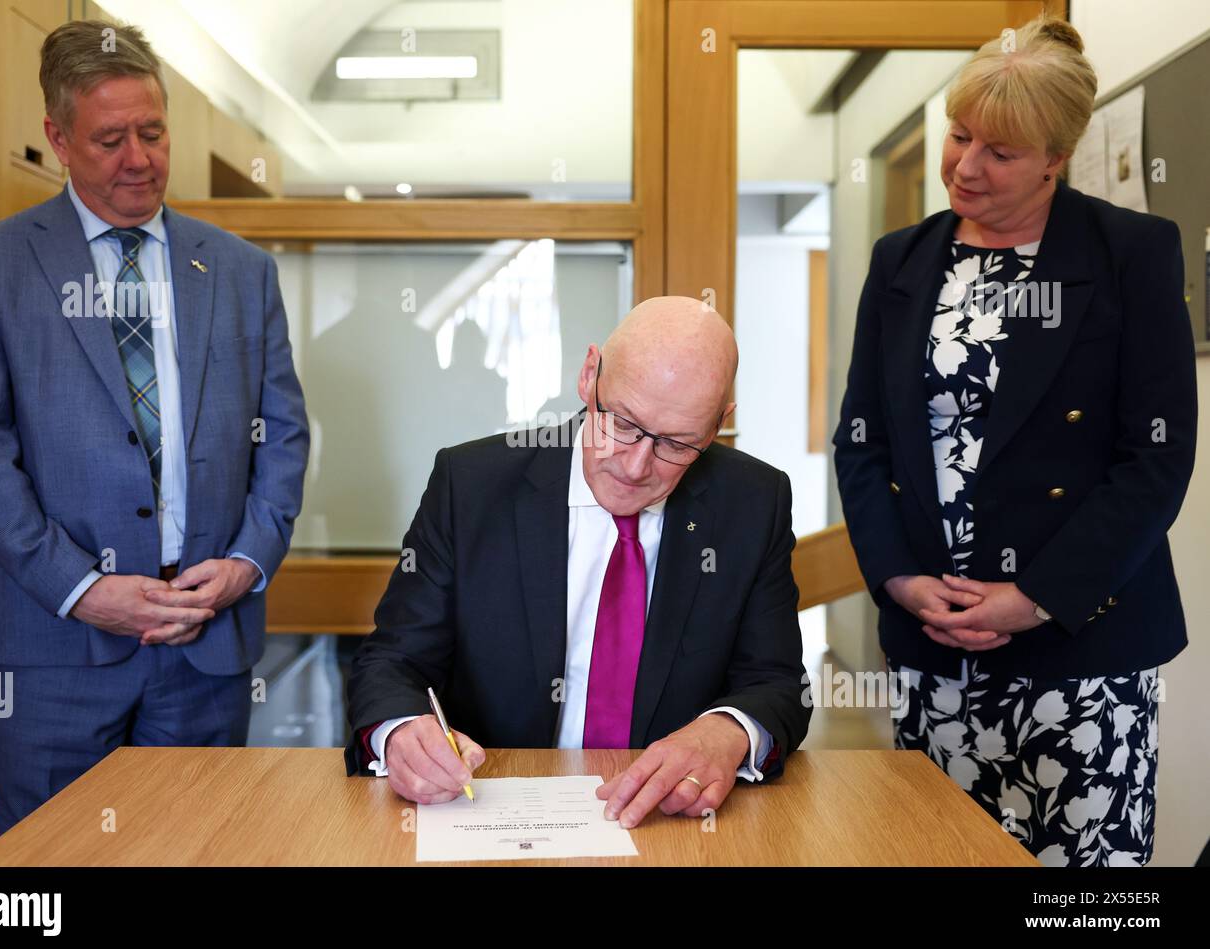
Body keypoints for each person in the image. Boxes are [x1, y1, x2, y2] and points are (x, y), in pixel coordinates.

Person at [0, 19, 309, 835]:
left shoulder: (241, 270)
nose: (138, 158)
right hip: (50, 650)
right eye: (109, 139)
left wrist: (249, 558)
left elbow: (282, 435)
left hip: (205, 646)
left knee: (195, 852)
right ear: (57, 139)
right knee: (53, 871)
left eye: (152, 131)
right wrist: (85, 589)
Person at [833, 15, 1195, 866]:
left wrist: (1035, 596)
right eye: (959, 137)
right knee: (937, 856)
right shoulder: (902, 261)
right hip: (936, 641)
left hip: (1082, 641)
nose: (964, 166)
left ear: (1055, 158)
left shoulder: (1129, 253)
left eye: (999, 152)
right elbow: (861, 441)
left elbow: (1156, 457)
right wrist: (898, 580)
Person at [346, 296, 810, 828]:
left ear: (718, 425)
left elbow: (778, 682)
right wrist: (402, 731)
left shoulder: (753, 501)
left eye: (678, 445)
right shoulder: (471, 486)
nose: (636, 466)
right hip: (490, 810)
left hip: (667, 822)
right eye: (622, 423)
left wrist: (729, 731)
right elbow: (392, 662)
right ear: (590, 376)